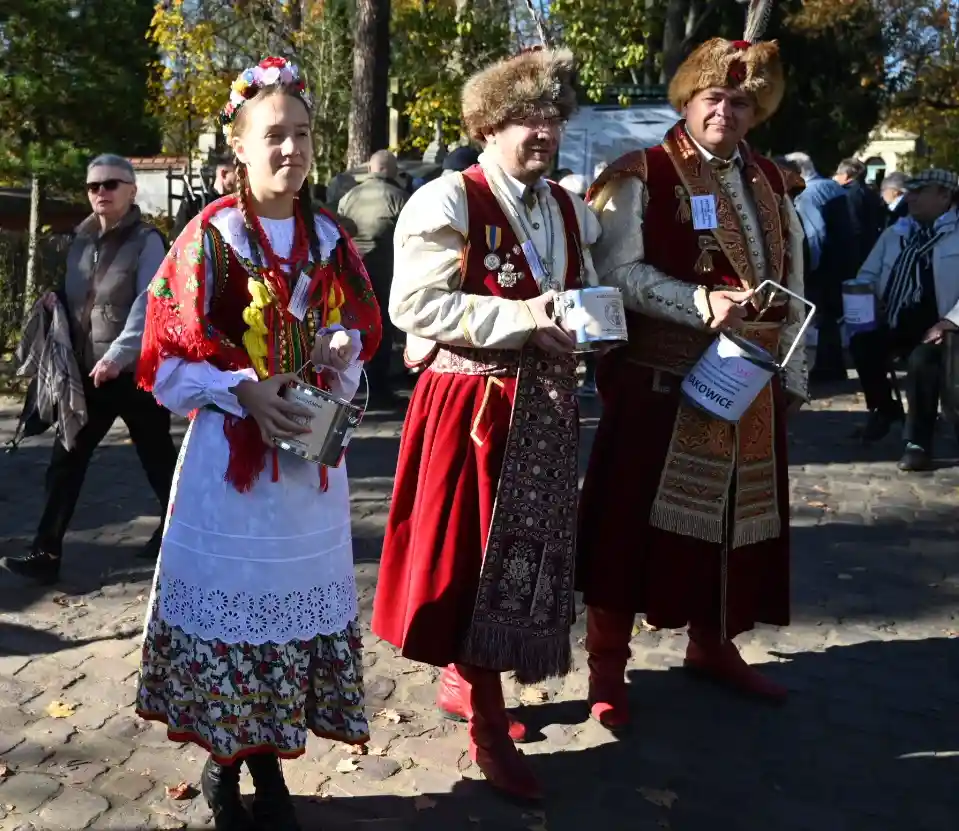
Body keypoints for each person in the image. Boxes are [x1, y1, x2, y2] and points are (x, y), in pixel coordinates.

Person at [133, 57, 382, 831]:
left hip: (307, 468)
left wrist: (340, 359)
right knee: (233, 611)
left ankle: (266, 760)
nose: (291, 149)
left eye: (302, 134)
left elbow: (359, 333)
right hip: (229, 473)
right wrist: (241, 388)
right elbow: (164, 361)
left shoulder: (330, 236)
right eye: (274, 134)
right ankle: (226, 764)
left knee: (286, 615)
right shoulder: (211, 237)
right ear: (239, 144)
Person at [371, 48, 601, 802]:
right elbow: (414, 307)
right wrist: (520, 319)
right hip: (467, 409)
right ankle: (487, 725)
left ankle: (476, 683)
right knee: (468, 560)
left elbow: (582, 295)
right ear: (487, 125)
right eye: (524, 117)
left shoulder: (568, 208)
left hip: (542, 409)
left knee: (524, 562)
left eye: (552, 116)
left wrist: (591, 326)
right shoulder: (446, 199)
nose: (542, 130)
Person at [578, 12, 809, 731]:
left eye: (739, 101)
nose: (724, 109)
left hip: (749, 388)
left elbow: (796, 275)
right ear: (685, 101)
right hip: (659, 382)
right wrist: (695, 300)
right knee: (625, 530)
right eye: (711, 96)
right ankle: (606, 667)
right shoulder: (639, 173)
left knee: (736, 530)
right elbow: (615, 274)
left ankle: (712, 644)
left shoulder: (773, 180)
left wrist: (795, 376)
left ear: (755, 111)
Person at [3, 154, 175, 585]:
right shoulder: (80, 238)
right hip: (86, 375)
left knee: (159, 462)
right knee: (65, 461)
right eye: (93, 186)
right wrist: (53, 304)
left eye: (112, 184)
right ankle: (46, 552)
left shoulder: (147, 240)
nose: (101, 192)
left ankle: (186, 535)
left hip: (133, 375)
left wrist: (117, 355)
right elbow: (78, 297)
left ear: (132, 191)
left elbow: (148, 305)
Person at [848, 169, 959, 470]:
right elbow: (867, 275)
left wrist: (950, 322)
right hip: (898, 317)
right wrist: (865, 300)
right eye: (909, 190)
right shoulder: (897, 231)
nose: (909, 197)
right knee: (862, 342)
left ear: (945, 196)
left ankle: (918, 441)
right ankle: (885, 409)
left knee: (923, 360)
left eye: (920, 191)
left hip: (944, 326)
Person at [337, 150, 410, 407]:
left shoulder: (349, 196)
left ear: (370, 169)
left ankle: (352, 381)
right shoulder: (400, 197)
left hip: (354, 271)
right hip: (385, 270)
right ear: (392, 171)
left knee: (355, 325)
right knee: (382, 328)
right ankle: (378, 386)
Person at [785, 151, 857, 383]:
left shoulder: (807, 193)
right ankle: (834, 365)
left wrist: (806, 270)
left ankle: (826, 368)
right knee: (830, 318)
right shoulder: (831, 186)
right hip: (842, 259)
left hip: (822, 265)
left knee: (820, 316)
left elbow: (815, 234)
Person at [172, 155, 237, 238]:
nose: (240, 180)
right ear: (223, 174)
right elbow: (178, 240)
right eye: (237, 175)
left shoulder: (239, 204)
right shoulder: (194, 204)